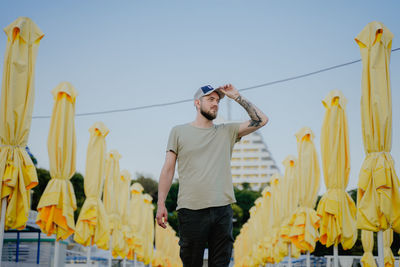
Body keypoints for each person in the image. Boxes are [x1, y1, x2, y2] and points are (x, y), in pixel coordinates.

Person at [156, 84, 268, 267]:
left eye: (217, 100)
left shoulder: (227, 131)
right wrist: (161, 203)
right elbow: (168, 169)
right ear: (197, 103)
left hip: (222, 210)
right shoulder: (178, 131)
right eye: (210, 99)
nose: (215, 104)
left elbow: (262, 120)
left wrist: (237, 97)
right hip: (190, 210)